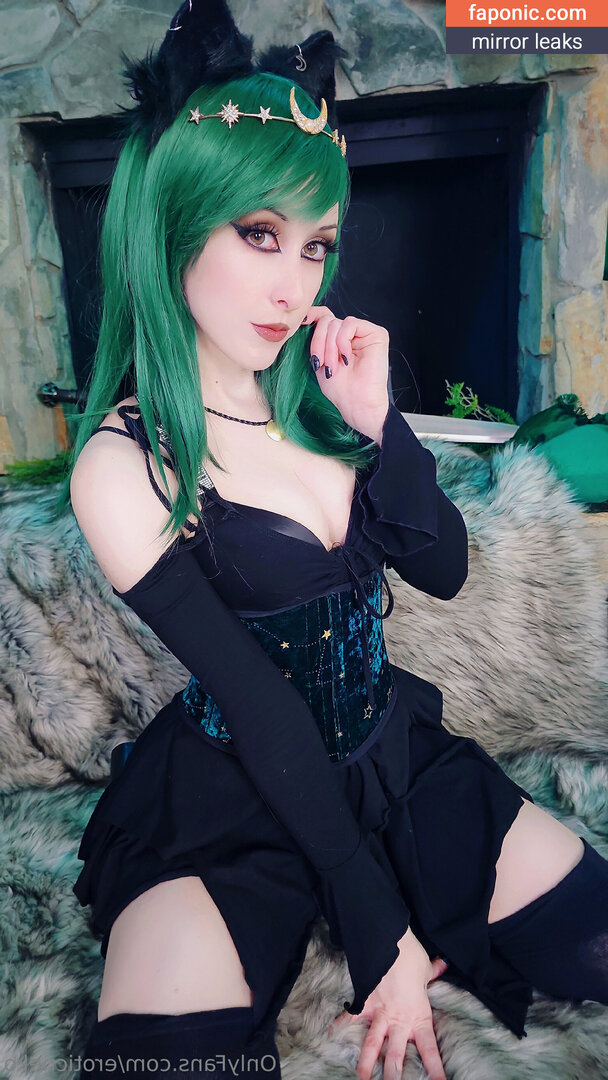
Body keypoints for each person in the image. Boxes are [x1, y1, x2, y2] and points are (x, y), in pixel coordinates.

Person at [59, 2, 608, 1077]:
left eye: (314, 245)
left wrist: (381, 421)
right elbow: (259, 703)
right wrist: (379, 931)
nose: (295, 284)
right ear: (174, 224)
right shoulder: (123, 466)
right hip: (234, 791)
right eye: (258, 235)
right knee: (161, 1062)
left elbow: (442, 569)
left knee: (592, 935)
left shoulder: (318, 398)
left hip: (390, 754)